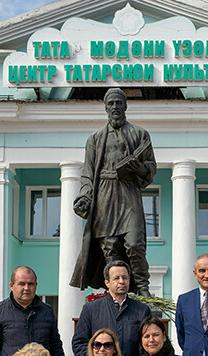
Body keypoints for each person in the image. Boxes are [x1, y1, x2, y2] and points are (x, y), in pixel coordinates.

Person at [70, 87, 157, 295]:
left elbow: (151, 168)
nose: (115, 107)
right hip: (104, 196)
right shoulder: (95, 139)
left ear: (125, 105)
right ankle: (115, 292)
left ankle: (143, 291)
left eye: (119, 103)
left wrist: (139, 168)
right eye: (111, 103)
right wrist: (84, 196)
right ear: (105, 108)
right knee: (111, 249)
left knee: (135, 244)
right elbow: (88, 174)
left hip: (128, 193)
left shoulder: (140, 134)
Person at [73, 260, 151, 356]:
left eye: (125, 277)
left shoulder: (142, 310)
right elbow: (79, 342)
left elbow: (147, 344)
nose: (121, 281)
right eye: (116, 278)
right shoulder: (91, 309)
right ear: (107, 283)